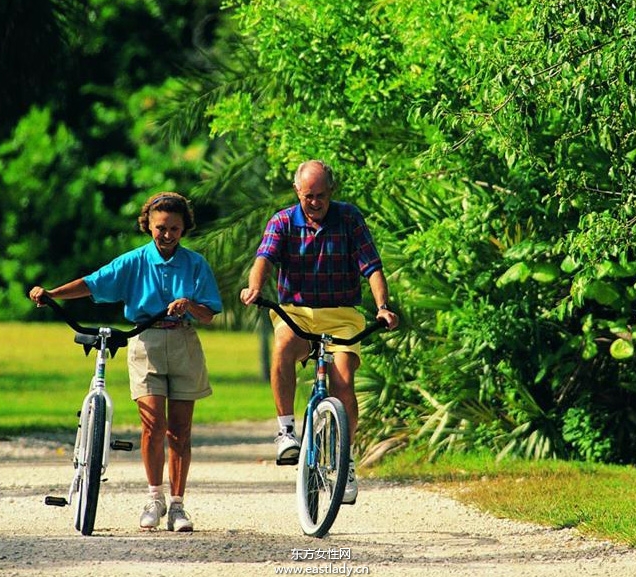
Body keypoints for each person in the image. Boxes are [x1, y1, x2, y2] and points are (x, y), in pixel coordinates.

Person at [29, 191, 221, 532]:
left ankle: (177, 505)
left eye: (174, 228)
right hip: (144, 341)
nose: (167, 234)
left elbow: (208, 314)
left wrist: (189, 305)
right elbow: (92, 284)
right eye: (161, 227)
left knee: (180, 430)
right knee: (152, 425)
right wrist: (52, 294)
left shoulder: (195, 265)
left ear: (183, 229)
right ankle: (153, 498)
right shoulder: (133, 261)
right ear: (148, 225)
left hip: (183, 344)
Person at [240, 160, 399, 505]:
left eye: (321, 196)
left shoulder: (349, 218)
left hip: (341, 315)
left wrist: (382, 306)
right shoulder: (282, 221)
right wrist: (254, 288)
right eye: (309, 196)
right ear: (298, 192)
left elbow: (371, 266)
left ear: (332, 192)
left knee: (343, 382)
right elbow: (264, 259)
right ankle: (285, 431)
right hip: (296, 312)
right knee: (282, 344)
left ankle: (345, 461)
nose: (315, 203)